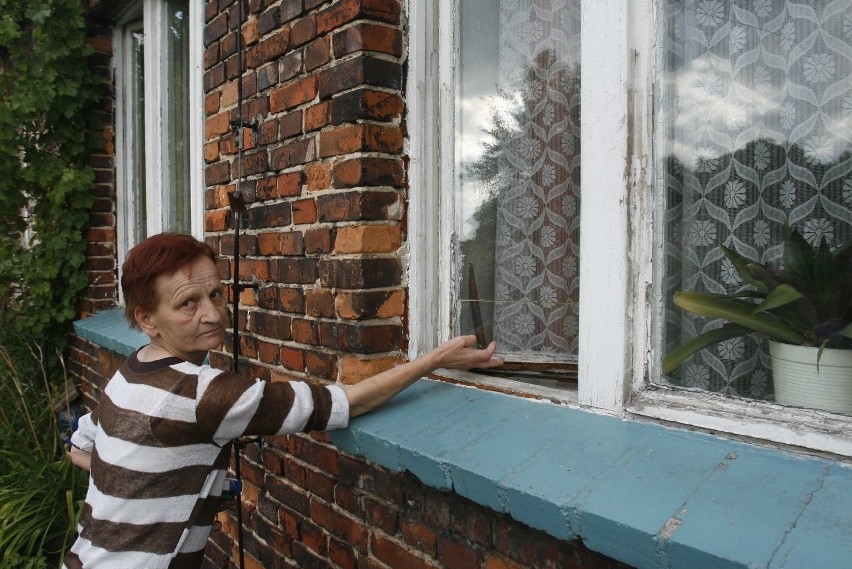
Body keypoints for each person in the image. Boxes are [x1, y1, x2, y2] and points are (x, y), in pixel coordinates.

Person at [65, 232, 501, 569]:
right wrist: (438, 358)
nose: (213, 314)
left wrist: (152, 479)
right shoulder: (204, 395)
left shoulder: (130, 373)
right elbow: (344, 403)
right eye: (187, 304)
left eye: (216, 293)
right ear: (147, 319)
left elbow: (79, 447)